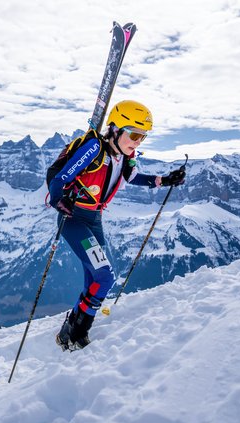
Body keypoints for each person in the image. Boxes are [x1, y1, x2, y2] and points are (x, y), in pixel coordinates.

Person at [47, 100, 186, 351]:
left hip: (94, 219)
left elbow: (132, 177)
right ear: (116, 128)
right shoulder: (93, 148)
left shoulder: (126, 156)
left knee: (94, 278)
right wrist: (60, 200)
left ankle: (68, 332)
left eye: (143, 137)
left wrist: (165, 180)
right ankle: (79, 332)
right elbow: (60, 178)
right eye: (134, 134)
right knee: (105, 276)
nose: (137, 141)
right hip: (74, 219)